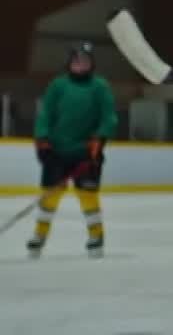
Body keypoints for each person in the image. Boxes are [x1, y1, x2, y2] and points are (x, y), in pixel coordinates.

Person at [27, 42, 117, 259]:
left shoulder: (100, 86)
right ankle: (39, 235)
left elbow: (109, 117)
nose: (80, 64)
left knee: (88, 196)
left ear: (91, 64)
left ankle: (96, 236)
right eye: (76, 61)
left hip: (87, 151)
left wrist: (100, 138)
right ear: (69, 63)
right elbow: (46, 114)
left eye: (85, 61)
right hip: (57, 151)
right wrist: (42, 139)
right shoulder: (58, 85)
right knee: (49, 197)